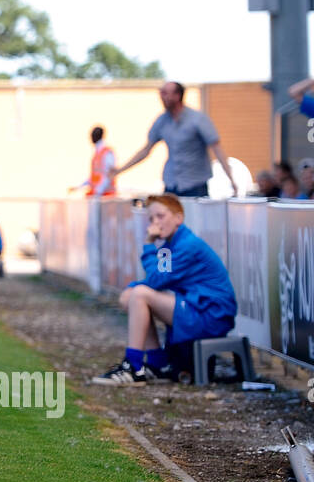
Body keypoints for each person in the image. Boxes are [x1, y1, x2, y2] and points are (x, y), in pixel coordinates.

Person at [94, 193, 237, 386]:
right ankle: (156, 363)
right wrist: (134, 288)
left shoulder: (187, 245)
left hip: (211, 316)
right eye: (151, 218)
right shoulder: (172, 245)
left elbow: (156, 281)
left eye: (161, 216)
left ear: (179, 218)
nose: (155, 223)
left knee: (140, 294)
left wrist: (148, 244)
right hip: (199, 307)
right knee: (132, 296)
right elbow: (159, 279)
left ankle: (133, 366)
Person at [114, 81, 239, 198]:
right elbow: (146, 150)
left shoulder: (198, 119)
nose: (161, 97)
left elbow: (217, 149)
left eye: (165, 93)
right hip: (171, 184)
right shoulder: (162, 121)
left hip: (195, 184)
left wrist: (232, 179)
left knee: (193, 220)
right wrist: (119, 170)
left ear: (177, 95)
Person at [69, 125, 116, 197]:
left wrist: (99, 190)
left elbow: (109, 174)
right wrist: (79, 187)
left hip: (107, 197)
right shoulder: (96, 155)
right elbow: (93, 178)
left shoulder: (107, 153)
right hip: (98, 196)